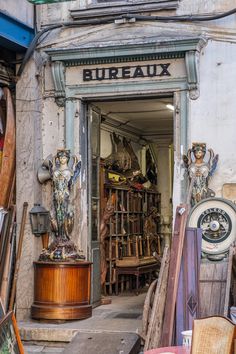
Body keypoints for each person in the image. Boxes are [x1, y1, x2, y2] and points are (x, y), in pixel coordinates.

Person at [50, 149, 81, 241]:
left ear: (67, 159)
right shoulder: (55, 171)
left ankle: (64, 234)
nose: (62, 159)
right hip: (56, 195)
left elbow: (70, 183)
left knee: (64, 214)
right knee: (57, 214)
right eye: (60, 158)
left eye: (64, 157)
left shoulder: (69, 172)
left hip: (65, 195)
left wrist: (75, 167)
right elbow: (53, 182)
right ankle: (59, 234)